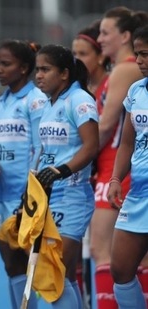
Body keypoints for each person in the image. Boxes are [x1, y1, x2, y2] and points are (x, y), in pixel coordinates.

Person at [0, 39, 46, 309]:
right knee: (11, 265)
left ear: (23, 68)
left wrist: (31, 190)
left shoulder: (36, 100)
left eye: (5, 64)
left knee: (32, 264)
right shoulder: (0, 103)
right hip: (1, 195)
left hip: (26, 195)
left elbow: (40, 147)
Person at [34, 44, 99, 308]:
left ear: (63, 74)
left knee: (54, 274)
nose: (38, 75)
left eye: (45, 69)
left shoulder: (79, 100)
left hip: (72, 196)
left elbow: (91, 146)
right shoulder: (49, 104)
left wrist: (63, 171)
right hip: (48, 197)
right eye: (37, 69)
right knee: (63, 276)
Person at [95, 7, 148, 308]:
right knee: (121, 269)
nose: (138, 61)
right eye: (137, 54)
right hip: (138, 192)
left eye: (145, 55)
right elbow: (127, 143)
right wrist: (116, 178)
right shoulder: (137, 91)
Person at [71, 19, 110, 305]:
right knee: (75, 260)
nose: (77, 60)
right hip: (78, 182)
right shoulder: (73, 91)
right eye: (74, 54)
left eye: (83, 54)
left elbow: (101, 136)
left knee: (99, 253)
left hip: (102, 179)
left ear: (100, 56)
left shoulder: (109, 87)